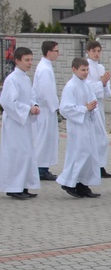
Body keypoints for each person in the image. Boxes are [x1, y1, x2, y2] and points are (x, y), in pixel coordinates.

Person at [56, 57, 105, 199]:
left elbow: (92, 101)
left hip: (87, 125)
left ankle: (83, 184)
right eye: (83, 70)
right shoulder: (70, 86)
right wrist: (84, 109)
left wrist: (92, 108)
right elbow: (65, 108)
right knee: (79, 154)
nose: (85, 73)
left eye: (87, 69)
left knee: (90, 155)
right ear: (74, 69)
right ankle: (69, 182)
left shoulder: (86, 85)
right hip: (77, 126)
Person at [0, 47, 41, 200]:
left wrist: (34, 106)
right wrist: (27, 109)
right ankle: (13, 187)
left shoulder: (25, 78)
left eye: (31, 59)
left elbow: (29, 96)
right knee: (16, 153)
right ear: (17, 61)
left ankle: (23, 185)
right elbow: (8, 101)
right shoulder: (12, 79)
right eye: (27, 60)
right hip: (15, 123)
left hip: (24, 123)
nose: (30, 63)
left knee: (26, 153)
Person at [86, 40, 111, 178]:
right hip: (91, 106)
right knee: (96, 137)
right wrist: (100, 83)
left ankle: (101, 165)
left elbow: (107, 91)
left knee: (102, 137)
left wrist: (104, 84)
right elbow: (86, 87)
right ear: (88, 52)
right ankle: (94, 165)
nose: (96, 54)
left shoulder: (101, 68)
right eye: (93, 51)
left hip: (100, 106)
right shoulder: (86, 67)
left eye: (98, 51)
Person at [33, 40, 60, 181]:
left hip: (46, 108)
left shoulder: (46, 66)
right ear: (49, 52)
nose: (58, 54)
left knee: (47, 139)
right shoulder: (44, 69)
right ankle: (40, 169)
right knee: (43, 139)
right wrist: (55, 107)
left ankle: (43, 168)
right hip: (45, 109)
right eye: (56, 51)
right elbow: (46, 91)